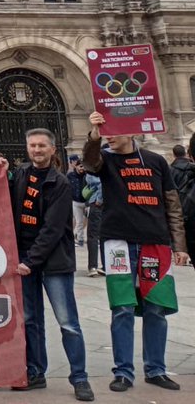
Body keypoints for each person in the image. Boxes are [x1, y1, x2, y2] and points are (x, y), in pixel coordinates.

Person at [84, 110, 188, 392]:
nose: (109, 136)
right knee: (122, 308)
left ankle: (155, 369)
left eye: (112, 131)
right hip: (117, 242)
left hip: (155, 242)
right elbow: (89, 162)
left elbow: (172, 205)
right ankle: (123, 372)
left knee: (156, 308)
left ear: (130, 131)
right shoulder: (105, 160)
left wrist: (179, 245)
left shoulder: (156, 162)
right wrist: (94, 135)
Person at [0, 130, 92, 401]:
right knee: (30, 320)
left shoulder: (60, 182)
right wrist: (2, 173)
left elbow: (53, 229)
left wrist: (31, 260)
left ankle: (80, 377)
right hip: (24, 259)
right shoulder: (21, 175)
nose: (36, 150)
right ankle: (35, 371)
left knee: (68, 322)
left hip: (53, 261)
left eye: (42, 146)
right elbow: (4, 200)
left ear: (53, 150)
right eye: (32, 145)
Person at [85, 171, 105, 277]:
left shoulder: (93, 168)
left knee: (92, 236)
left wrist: (99, 199)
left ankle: (93, 266)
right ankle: (105, 265)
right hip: (108, 205)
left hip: (97, 203)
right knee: (103, 236)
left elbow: (102, 184)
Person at [68, 156, 89, 246]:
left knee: (90, 220)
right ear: (76, 166)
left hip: (87, 202)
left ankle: (94, 238)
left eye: (83, 166)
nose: (82, 168)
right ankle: (80, 239)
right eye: (80, 166)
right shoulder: (70, 175)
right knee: (79, 221)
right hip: (76, 202)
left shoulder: (88, 175)